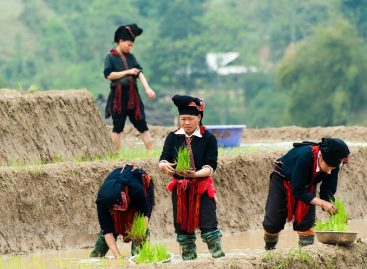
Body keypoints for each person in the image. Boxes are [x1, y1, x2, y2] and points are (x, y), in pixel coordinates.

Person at [158, 94, 225, 260]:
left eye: (190, 118)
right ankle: (189, 261)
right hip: (180, 188)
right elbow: (164, 157)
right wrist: (163, 165)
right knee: (182, 229)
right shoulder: (172, 137)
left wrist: (194, 174)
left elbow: (211, 166)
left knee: (209, 226)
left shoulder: (208, 138)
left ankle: (220, 260)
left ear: (199, 117)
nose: (186, 123)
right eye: (183, 119)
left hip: (202, 188)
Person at [262, 138, 350, 250]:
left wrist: (335, 212)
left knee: (306, 224)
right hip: (283, 179)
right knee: (273, 223)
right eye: (328, 167)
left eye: (333, 168)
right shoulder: (304, 156)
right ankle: (269, 250)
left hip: (308, 183)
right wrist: (322, 203)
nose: (329, 172)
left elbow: (327, 191)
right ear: (321, 157)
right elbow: (298, 190)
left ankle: (305, 256)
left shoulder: (333, 165)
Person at [104, 23, 156, 152]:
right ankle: (116, 154)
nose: (130, 47)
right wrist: (127, 72)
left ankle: (150, 152)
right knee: (118, 126)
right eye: (129, 44)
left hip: (133, 96)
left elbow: (139, 72)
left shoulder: (131, 57)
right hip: (118, 96)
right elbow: (109, 75)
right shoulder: (110, 57)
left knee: (142, 124)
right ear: (120, 41)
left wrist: (148, 88)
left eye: (132, 45)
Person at [90, 164, 154, 258]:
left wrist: (140, 233)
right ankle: (96, 255)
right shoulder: (102, 200)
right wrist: (118, 258)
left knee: (138, 230)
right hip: (116, 194)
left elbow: (144, 215)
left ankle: (139, 256)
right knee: (111, 225)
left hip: (140, 186)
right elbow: (107, 231)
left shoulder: (136, 190)